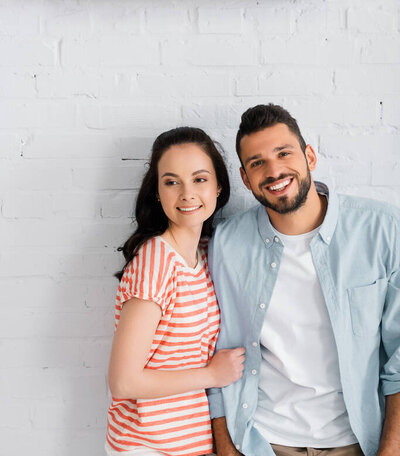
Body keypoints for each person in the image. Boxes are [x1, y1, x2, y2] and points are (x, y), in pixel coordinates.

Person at [207, 104, 400, 456]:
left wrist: (391, 449)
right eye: (257, 162)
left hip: (357, 441)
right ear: (245, 178)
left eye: (284, 153)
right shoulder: (227, 243)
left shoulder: (382, 230)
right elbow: (216, 348)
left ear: (310, 156)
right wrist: (226, 446)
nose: (274, 170)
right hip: (263, 441)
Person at [105, 127, 245, 456]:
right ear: (157, 192)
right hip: (147, 446)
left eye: (199, 179)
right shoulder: (156, 259)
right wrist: (211, 374)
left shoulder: (209, 253)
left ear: (218, 185)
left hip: (191, 444)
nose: (187, 193)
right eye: (171, 182)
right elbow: (123, 381)